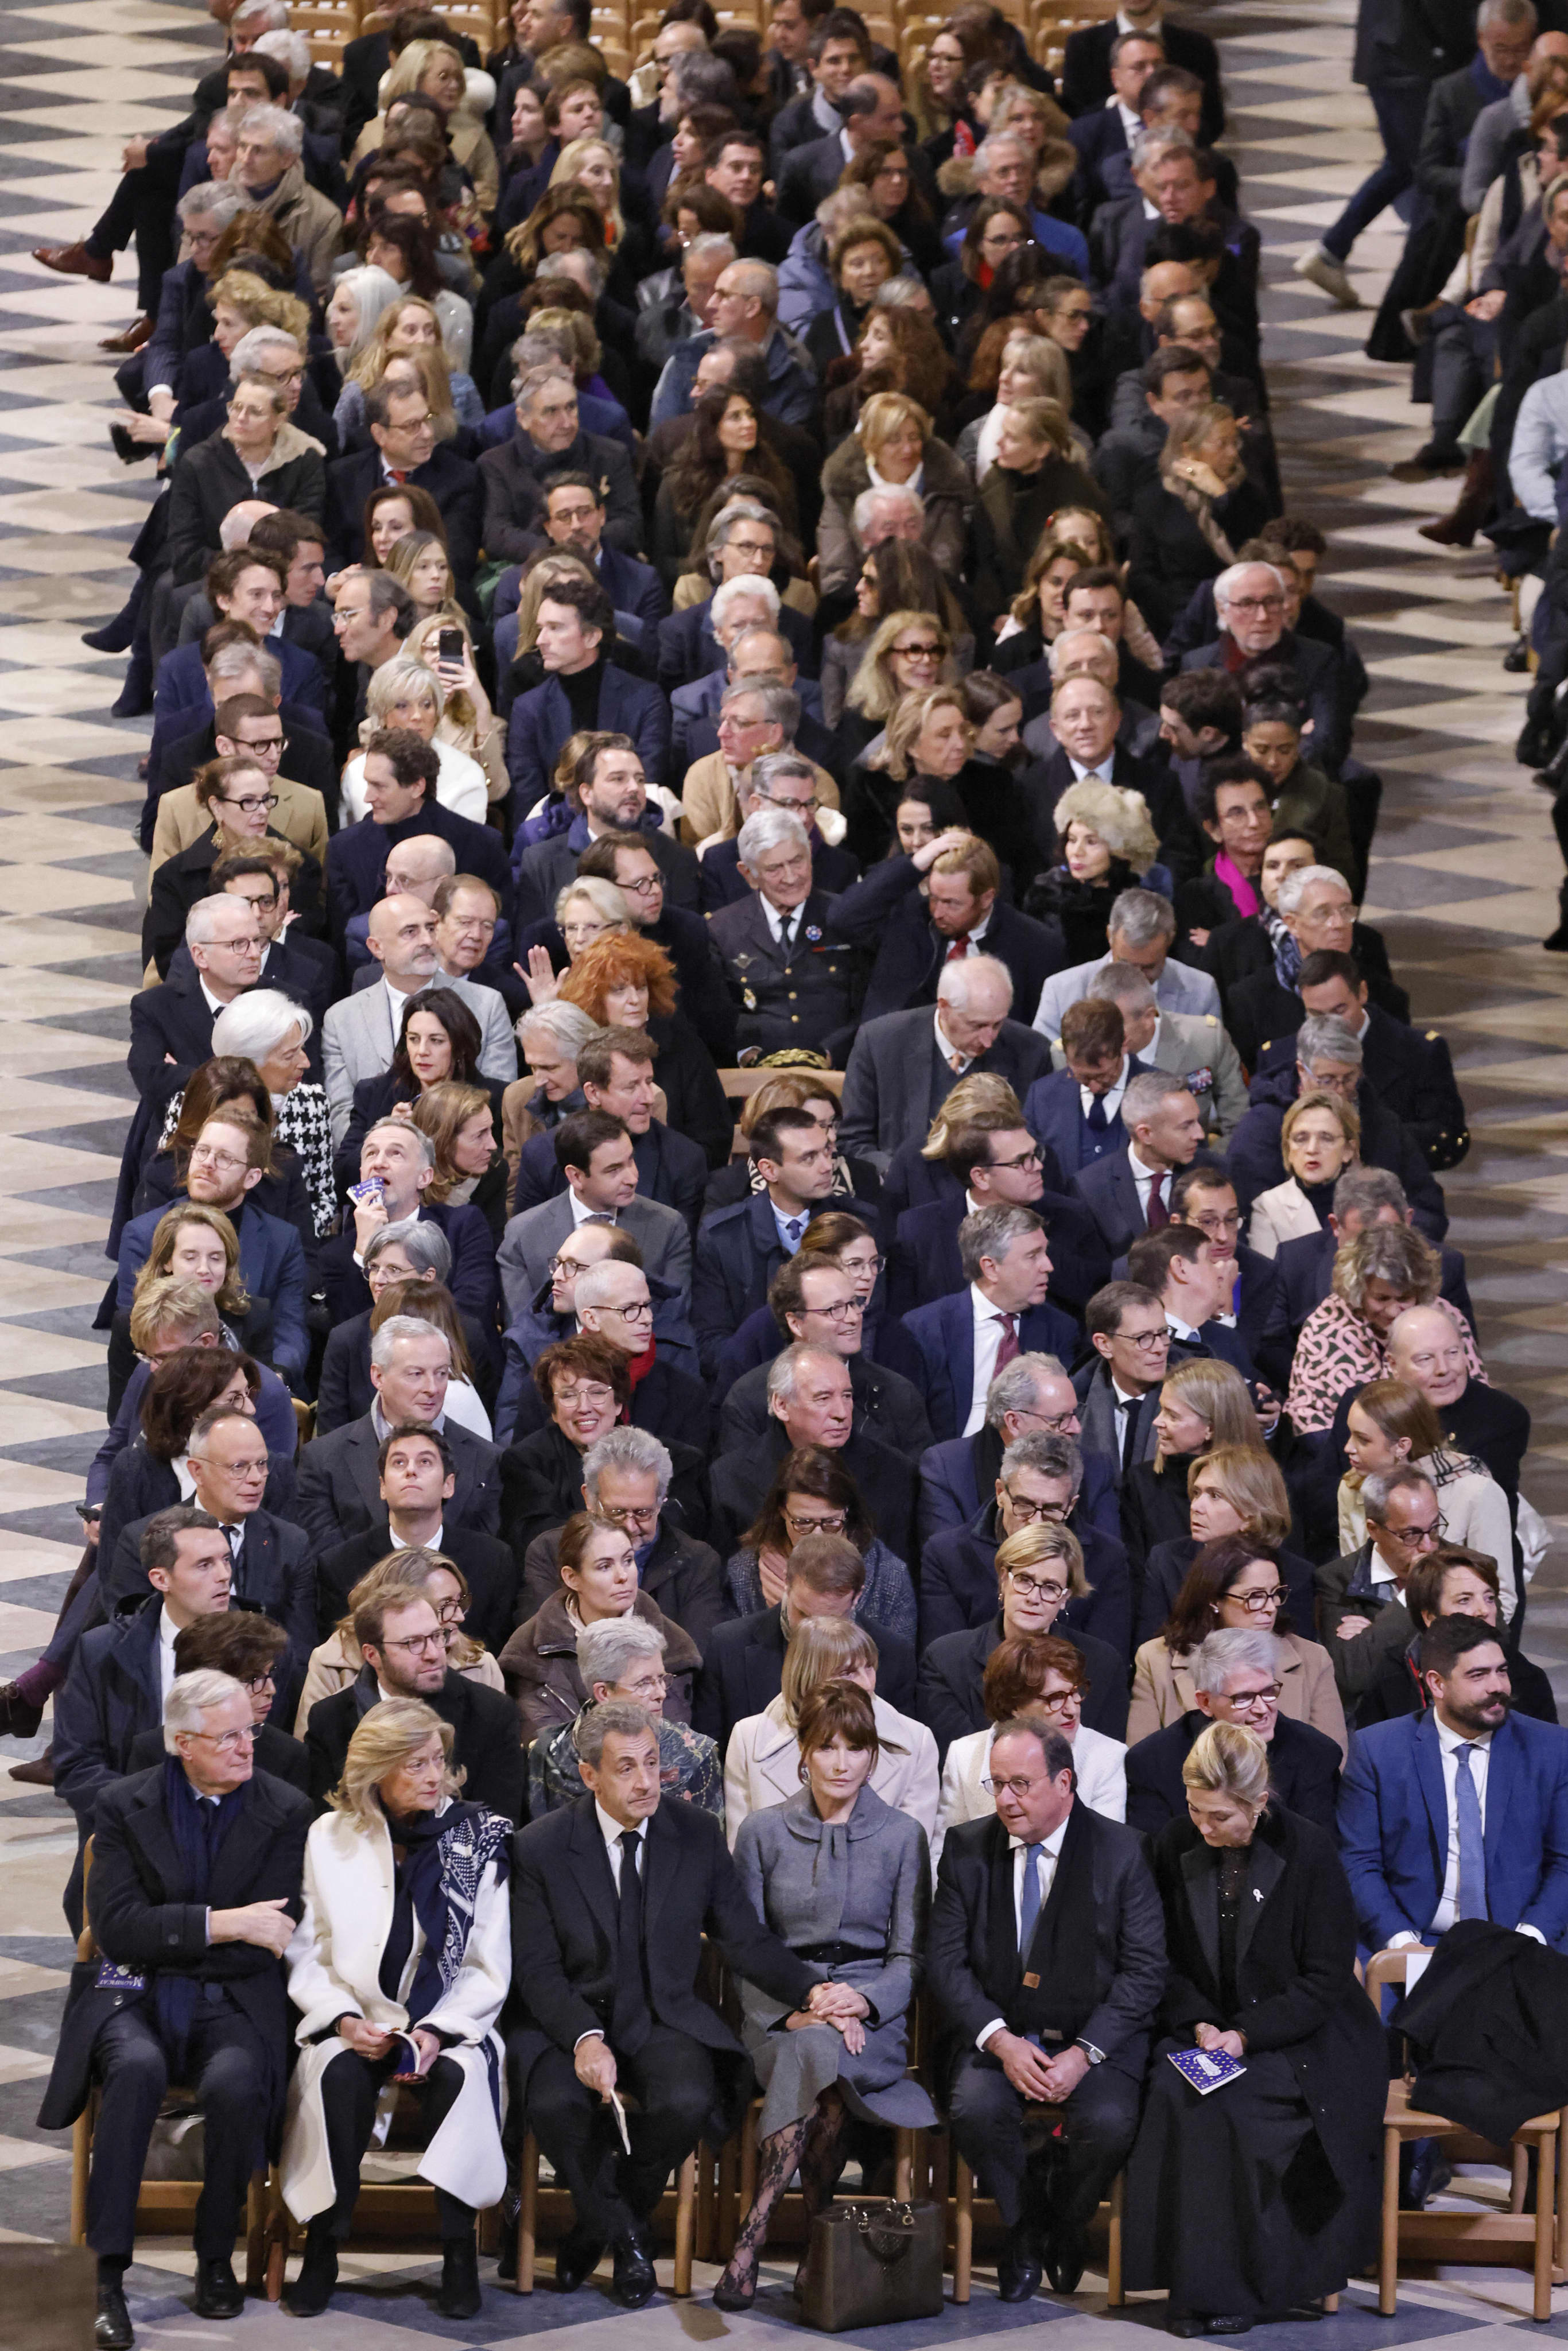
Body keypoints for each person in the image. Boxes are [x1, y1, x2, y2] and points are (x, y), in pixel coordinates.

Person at [507, 1697, 829, 2306]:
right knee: (552, 2102)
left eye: (652, 1762)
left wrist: (809, 1988)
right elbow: (537, 1968)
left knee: (688, 2097)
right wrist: (583, 2037)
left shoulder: (694, 1834)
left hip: (662, 2014)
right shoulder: (540, 1847)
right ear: (588, 1776)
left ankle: (600, 2223)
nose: (645, 1780)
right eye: (625, 1767)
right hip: (566, 2021)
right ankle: (629, 2237)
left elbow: (743, 1936)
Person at [38, 1666, 311, 2349]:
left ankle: (215, 2256)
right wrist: (223, 1924)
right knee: (133, 2069)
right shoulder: (124, 1804)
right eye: (228, 1737)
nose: (247, 1746)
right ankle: (108, 2274)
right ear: (183, 1743)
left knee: (236, 2082)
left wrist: (188, 1933)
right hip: (131, 1992)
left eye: (249, 1730)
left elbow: (272, 1936)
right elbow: (119, 1927)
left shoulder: (284, 1807)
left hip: (232, 1998)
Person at [1123, 1720, 1385, 2334]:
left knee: (1235, 2107)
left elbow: (1322, 1977)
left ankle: (1243, 2289)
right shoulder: (1170, 1844)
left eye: (1218, 1817)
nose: (1203, 1828)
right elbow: (1157, 1956)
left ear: (1258, 1803)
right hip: (1202, 2028)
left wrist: (1243, 2035)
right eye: (1194, 1810)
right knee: (1173, 2093)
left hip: (1300, 2036)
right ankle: (1189, 2284)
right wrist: (1199, 2025)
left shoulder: (1309, 1849)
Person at [279, 1697, 512, 2320]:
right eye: (415, 1765)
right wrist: (343, 2019)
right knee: (336, 2075)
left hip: (449, 2024)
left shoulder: (477, 1837)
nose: (434, 1776)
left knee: (460, 2077)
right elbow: (309, 1951)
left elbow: (489, 1964)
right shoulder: (329, 1838)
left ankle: (457, 2253)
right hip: (355, 2018)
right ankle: (324, 2247)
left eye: (438, 1760)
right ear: (377, 1772)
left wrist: (436, 2031)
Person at [715, 1681, 937, 2309]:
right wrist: (793, 2011)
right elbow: (747, 1948)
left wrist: (861, 2004)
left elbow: (907, 1956)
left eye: (855, 1748)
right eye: (826, 1746)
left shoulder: (901, 1837)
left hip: (872, 2020)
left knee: (823, 2061)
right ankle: (817, 2242)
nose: (840, 1762)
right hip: (781, 2014)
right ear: (803, 1754)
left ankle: (750, 2243)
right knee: (815, 2066)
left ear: (873, 1757)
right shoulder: (761, 1833)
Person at [929, 1717, 1165, 2301]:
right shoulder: (966, 1849)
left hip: (1095, 2040)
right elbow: (946, 1964)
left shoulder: (1122, 1851)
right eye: (996, 1784)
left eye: (1020, 1784)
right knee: (975, 2108)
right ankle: (1023, 2227)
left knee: (1107, 2124)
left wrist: (1083, 2056)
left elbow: (1144, 1971)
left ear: (1064, 1782)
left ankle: (1066, 2218)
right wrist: (1001, 2041)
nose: (1005, 1799)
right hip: (1002, 2033)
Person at [302, 1577, 523, 1822]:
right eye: (413, 1643)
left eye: (437, 1636)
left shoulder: (492, 1713)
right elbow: (327, 1821)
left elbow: (497, 1823)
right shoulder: (328, 1719)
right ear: (373, 1655)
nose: (433, 1654)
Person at [296, 1314, 502, 1554]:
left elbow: (487, 1561)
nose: (432, 1388)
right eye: (416, 1374)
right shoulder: (323, 1461)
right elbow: (326, 1563)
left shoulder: (488, 1459)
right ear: (378, 1377)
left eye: (441, 1373)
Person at [919, 1522, 1131, 1755]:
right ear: (1003, 1579)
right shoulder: (946, 1660)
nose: (1033, 1598)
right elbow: (959, 1761)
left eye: (1050, 1587)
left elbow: (1104, 1757)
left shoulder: (1103, 1665)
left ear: (1065, 1598)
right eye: (1024, 1580)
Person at [724, 1611, 937, 1841]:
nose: (867, 1684)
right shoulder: (748, 1738)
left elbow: (914, 1855)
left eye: (870, 1668)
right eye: (848, 1673)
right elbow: (741, 1853)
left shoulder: (915, 1742)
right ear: (809, 1677)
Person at [1128, 1533, 1348, 1753]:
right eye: (1255, 1596)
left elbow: (1331, 1759)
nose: (1271, 1607)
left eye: (1276, 1593)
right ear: (1214, 1600)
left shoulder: (1313, 1659)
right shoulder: (1155, 1660)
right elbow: (1143, 1761)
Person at [500, 1508, 703, 1742]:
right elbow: (545, 1750)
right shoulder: (528, 1655)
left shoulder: (675, 1646)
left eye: (628, 1561)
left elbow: (675, 1744)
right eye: (605, 1567)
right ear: (571, 1578)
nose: (623, 1576)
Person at [705, 1344, 918, 1567]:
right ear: (781, 1405)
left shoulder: (895, 1471)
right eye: (823, 1398)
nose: (842, 1413)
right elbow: (719, 1580)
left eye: (847, 1396)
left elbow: (906, 1572)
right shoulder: (729, 1478)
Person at [839, 954, 1053, 1173]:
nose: (989, 1040)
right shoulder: (881, 1042)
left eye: (997, 1024)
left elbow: (1042, 1143)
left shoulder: (1032, 1051)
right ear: (944, 1007)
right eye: (977, 1026)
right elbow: (853, 1141)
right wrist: (902, 1176)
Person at [933, 1632, 1129, 1867]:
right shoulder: (963, 1755)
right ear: (1015, 1705)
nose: (1072, 1710)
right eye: (1056, 1698)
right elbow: (945, 1853)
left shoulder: (1107, 1756)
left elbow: (1105, 1859)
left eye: (1075, 1692)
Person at [1125, 1627, 1342, 1835]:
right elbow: (1154, 1861)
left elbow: (1317, 1858)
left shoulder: (1316, 1753)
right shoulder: (1152, 1762)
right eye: (1244, 1698)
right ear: (1205, 1702)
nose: (1261, 1709)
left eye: (1268, 1691)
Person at [901, 1205, 1077, 1443]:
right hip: (951, 1464)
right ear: (991, 1268)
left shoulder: (1060, 1329)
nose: (1048, 1266)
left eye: (1045, 1253)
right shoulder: (925, 1328)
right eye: (1033, 1256)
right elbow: (911, 1426)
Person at [498, 1109, 692, 1324]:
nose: (632, 1177)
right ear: (576, 1176)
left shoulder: (667, 1226)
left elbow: (673, 1321)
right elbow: (522, 1330)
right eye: (614, 1170)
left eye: (631, 1161)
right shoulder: (522, 1235)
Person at [1287, 1225, 1481, 1438]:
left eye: (1404, 1298)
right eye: (1381, 1299)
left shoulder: (1444, 1317)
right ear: (1359, 1291)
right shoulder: (1324, 1328)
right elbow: (1311, 1424)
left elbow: (1479, 1398)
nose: (1392, 1311)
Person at [527, 1612, 722, 1817]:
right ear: (603, 1693)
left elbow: (707, 1844)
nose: (661, 1694)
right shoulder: (546, 1755)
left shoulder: (697, 1757)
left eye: (661, 1679)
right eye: (644, 1683)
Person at [724, 1443, 917, 1646]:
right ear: (782, 1511)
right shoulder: (744, 1572)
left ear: (847, 1512)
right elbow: (735, 1659)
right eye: (803, 1523)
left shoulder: (889, 1575)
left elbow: (897, 1664)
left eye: (831, 1522)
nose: (817, 1535)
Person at [1337, 1378, 1514, 1596]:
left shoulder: (1476, 1493)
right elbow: (1354, 1578)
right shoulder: (1352, 1488)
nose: (1348, 1448)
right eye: (1350, 1434)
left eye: (1363, 1440)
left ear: (1401, 1446)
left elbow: (1500, 1594)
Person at [1354, 1544, 1559, 1728]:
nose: (1483, 1610)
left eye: (1489, 1598)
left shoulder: (1526, 1677)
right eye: (1465, 1600)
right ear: (1430, 1617)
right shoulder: (1392, 1675)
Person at [1070, 1070, 1209, 1260]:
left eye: (1197, 1122)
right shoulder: (1091, 1189)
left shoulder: (1213, 1172)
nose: (1199, 1135)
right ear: (1145, 1134)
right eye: (1186, 1126)